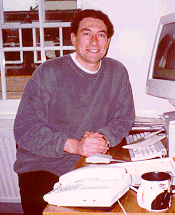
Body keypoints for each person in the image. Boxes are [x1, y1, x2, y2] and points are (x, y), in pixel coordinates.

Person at [13, 9, 135, 215]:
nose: (94, 41)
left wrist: (103, 138)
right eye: (87, 34)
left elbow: (124, 117)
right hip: (43, 165)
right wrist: (75, 145)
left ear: (108, 42)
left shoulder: (117, 72)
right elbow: (25, 129)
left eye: (101, 35)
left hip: (89, 163)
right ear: (74, 38)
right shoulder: (48, 72)